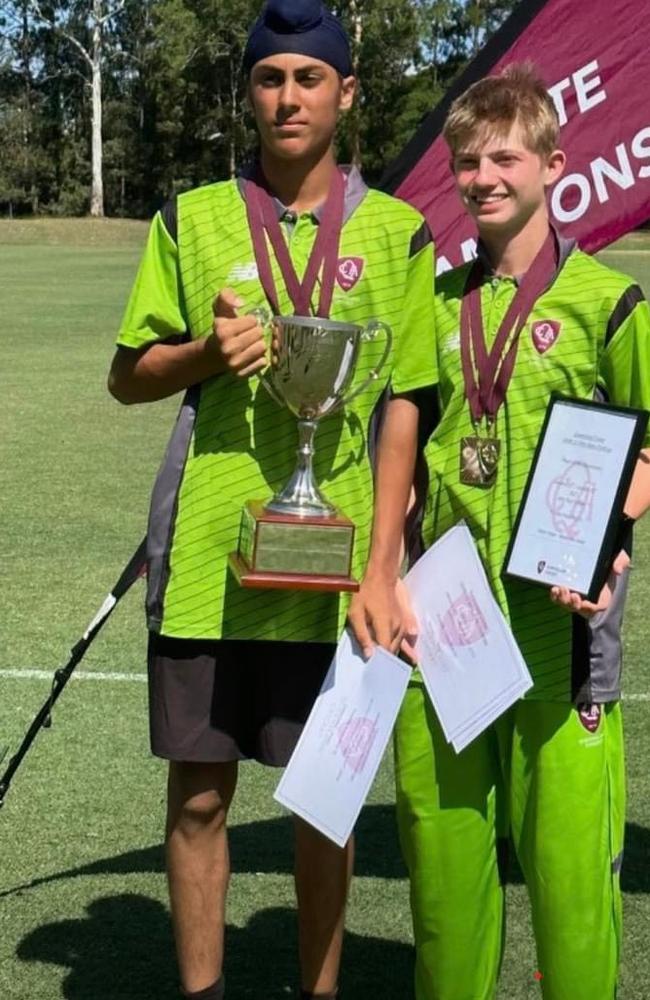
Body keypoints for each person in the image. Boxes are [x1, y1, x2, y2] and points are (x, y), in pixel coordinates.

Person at [107, 2, 438, 997]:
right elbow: (130, 374)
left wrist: (380, 567)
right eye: (268, 78)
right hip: (209, 561)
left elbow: (402, 409)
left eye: (307, 77)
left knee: (321, 805)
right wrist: (206, 353)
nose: (287, 96)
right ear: (247, 92)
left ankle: (316, 990)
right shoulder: (191, 216)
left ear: (345, 91)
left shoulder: (396, 233)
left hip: (334, 577)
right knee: (201, 801)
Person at [348, 64, 650, 1000]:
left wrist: (607, 542)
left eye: (505, 158)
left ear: (555, 165)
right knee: (443, 881)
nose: (483, 177)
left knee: (568, 892)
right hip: (442, 621)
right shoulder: (433, 304)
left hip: (558, 624)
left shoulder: (609, 302)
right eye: (468, 161)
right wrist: (379, 566)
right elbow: (404, 434)